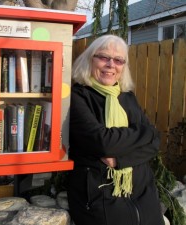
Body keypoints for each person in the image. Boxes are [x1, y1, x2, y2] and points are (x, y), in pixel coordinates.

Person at [67, 34, 165, 225]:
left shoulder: (127, 97)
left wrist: (120, 159)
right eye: (103, 57)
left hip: (143, 194)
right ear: (90, 60)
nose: (111, 64)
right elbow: (102, 141)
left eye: (118, 60)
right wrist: (146, 132)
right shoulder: (78, 97)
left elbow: (154, 143)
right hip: (99, 195)